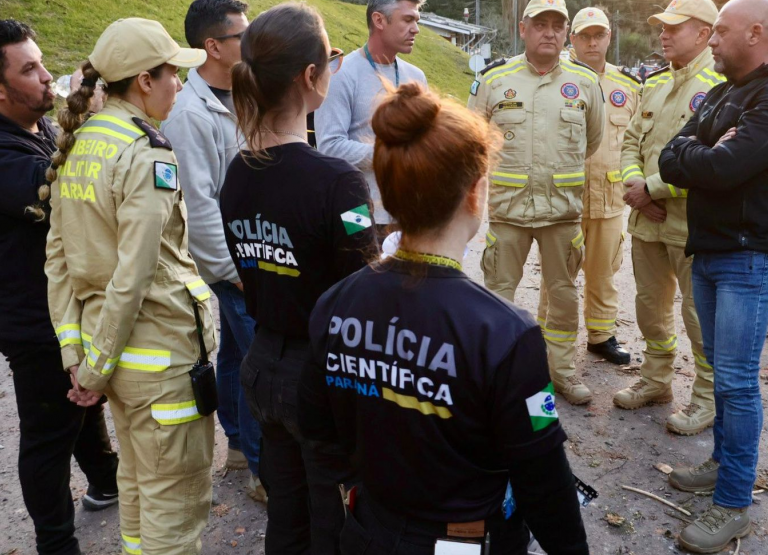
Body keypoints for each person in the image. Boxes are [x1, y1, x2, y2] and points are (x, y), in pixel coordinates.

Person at [299, 81, 588, 555]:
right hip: (462, 539)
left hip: (367, 531)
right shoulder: (506, 334)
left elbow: (317, 428)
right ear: (476, 192)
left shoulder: (335, 302)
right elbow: (543, 478)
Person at [43, 18, 217, 555]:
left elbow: (58, 260)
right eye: (173, 75)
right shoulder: (146, 152)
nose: (180, 86)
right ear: (144, 80)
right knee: (177, 505)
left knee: (138, 487)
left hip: (116, 360)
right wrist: (91, 370)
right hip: (159, 359)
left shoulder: (82, 142)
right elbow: (134, 273)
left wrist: (79, 354)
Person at [0, 20, 119, 555]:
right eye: (29, 69)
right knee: (49, 432)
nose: (48, 78)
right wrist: (99, 128)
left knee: (83, 401)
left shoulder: (33, 125)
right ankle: (56, 542)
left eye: (43, 64)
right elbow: (55, 195)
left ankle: (105, 482)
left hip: (64, 305)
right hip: (33, 318)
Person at [658, 0, 768, 550]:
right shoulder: (729, 90)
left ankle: (732, 502)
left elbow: (723, 168)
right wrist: (704, 150)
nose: (712, 41)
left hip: (752, 256)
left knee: (735, 379)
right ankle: (722, 464)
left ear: (756, 33)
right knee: (718, 368)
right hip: (712, 249)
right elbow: (670, 154)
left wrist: (705, 153)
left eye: (721, 32)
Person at [220, 4, 379, 553]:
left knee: (286, 514)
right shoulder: (337, 180)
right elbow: (363, 284)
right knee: (332, 521)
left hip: (261, 365)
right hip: (322, 373)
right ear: (311, 77)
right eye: (330, 60)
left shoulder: (237, 172)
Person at [469, 0, 605, 405]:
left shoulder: (584, 82)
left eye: (557, 25)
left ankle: (560, 372)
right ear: (524, 29)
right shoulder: (494, 80)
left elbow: (591, 141)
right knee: (497, 295)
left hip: (561, 213)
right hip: (508, 212)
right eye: (540, 24)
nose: (549, 32)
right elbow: (474, 143)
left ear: (566, 33)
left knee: (563, 297)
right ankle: (495, 375)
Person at [160, 0, 265, 501]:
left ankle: (242, 445)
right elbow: (198, 204)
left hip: (252, 251)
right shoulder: (190, 115)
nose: (252, 41)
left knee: (238, 354)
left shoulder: (243, 91)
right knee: (263, 359)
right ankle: (265, 472)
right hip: (234, 261)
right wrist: (231, 270)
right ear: (214, 46)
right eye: (243, 35)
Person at [615, 0, 723, 436]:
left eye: (673, 28)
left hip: (692, 226)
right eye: (661, 27)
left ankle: (706, 397)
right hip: (648, 222)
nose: (663, 34)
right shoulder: (655, 85)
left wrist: (652, 189)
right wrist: (636, 190)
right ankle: (657, 380)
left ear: (703, 33)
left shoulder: (720, 86)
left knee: (699, 317)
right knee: (649, 308)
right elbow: (628, 144)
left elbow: (717, 160)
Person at [315, 0, 427, 239]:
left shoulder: (416, 77)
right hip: (357, 213)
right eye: (407, 20)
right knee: (360, 275)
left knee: (408, 278)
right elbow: (330, 146)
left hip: (408, 215)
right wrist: (393, 154)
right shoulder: (339, 73)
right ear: (379, 21)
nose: (416, 28)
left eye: (416, 20)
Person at [568, 7, 639, 365]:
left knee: (604, 273)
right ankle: (555, 341)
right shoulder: (556, 80)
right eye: (584, 36)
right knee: (559, 277)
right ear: (573, 39)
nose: (592, 42)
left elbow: (638, 142)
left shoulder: (628, 86)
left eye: (599, 35)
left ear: (609, 37)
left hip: (610, 199)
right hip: (566, 200)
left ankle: (601, 335)